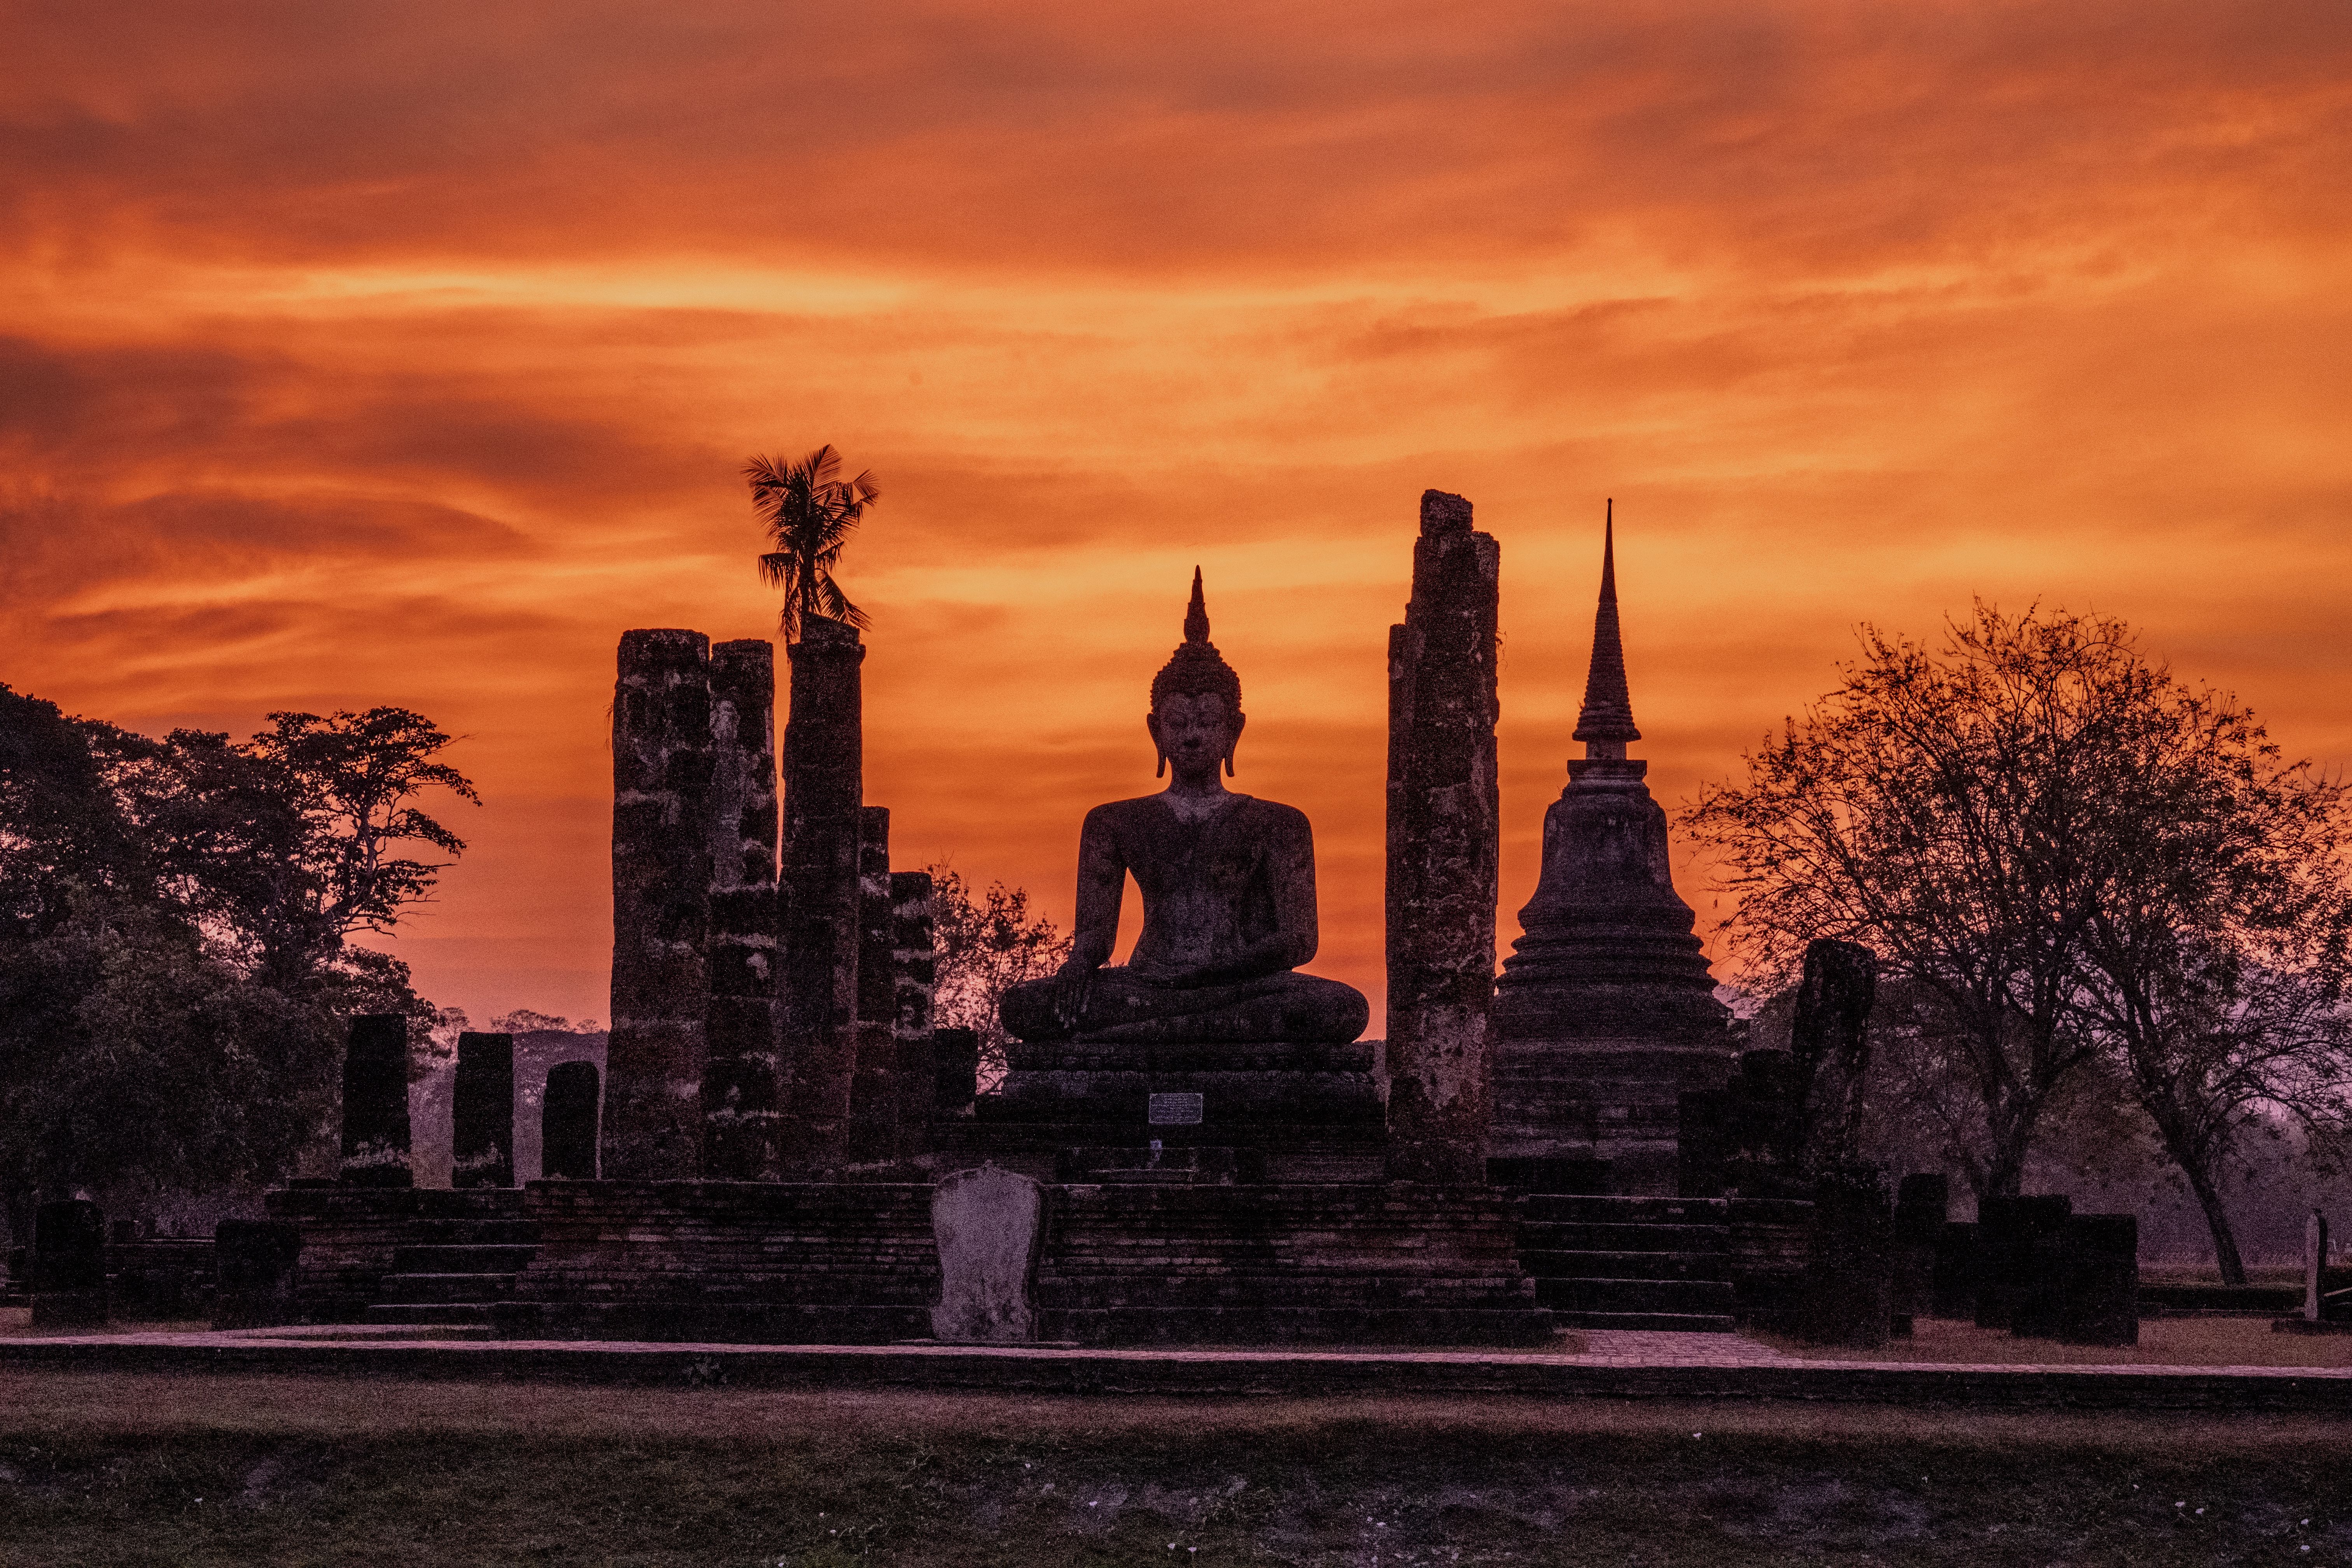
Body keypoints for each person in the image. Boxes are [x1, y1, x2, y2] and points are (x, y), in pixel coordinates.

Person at [999, 570, 1369, 1045]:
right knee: (1023, 1007)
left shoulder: (1278, 823)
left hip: (1241, 987)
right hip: (1148, 984)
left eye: (1207, 721)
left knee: (1340, 1008)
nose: (1192, 735)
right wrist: (1077, 967)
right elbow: (1097, 938)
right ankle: (1178, 1031)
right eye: (1178, 722)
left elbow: (1300, 941)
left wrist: (1213, 973)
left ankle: (1146, 1037)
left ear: (1233, 731)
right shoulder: (1113, 822)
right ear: (1156, 731)